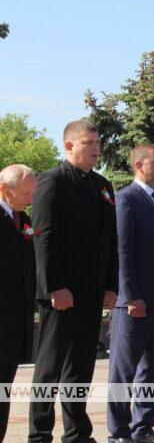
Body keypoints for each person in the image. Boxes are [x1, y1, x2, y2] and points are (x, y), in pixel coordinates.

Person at [29, 120, 119, 443]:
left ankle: (77, 432)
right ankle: (39, 434)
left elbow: (110, 239)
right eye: (88, 142)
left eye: (97, 142)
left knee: (80, 367)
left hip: (93, 293)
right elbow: (43, 238)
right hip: (61, 293)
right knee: (49, 368)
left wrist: (111, 285)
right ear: (69, 146)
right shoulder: (51, 182)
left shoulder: (103, 186)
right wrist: (55, 285)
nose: (95, 148)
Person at [107, 145, 154, 443]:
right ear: (139, 165)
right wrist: (130, 295)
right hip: (136, 303)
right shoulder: (126, 199)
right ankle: (118, 432)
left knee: (153, 369)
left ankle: (143, 428)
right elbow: (122, 252)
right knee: (123, 371)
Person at [0, 164, 37, 441]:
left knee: (4, 390)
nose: (31, 199)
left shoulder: (23, 220)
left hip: (14, 325)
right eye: (25, 193)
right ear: (4, 190)